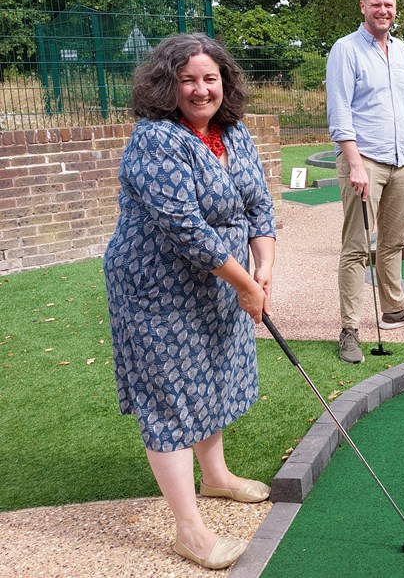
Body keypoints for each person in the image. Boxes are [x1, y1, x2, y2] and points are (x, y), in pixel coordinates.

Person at [104, 33, 276, 570]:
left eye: (210, 79)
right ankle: (189, 530)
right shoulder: (156, 139)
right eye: (188, 80)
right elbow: (185, 229)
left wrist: (263, 266)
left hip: (218, 282)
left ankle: (217, 477)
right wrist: (245, 283)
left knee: (212, 376)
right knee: (171, 398)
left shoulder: (234, 132)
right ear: (166, 85)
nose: (201, 90)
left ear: (225, 82)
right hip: (157, 287)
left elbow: (259, 203)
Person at [326, 0, 404, 364]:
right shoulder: (346, 50)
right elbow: (339, 111)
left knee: (393, 242)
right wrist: (354, 163)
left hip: (402, 161)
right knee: (357, 248)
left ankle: (393, 309)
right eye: (376, 5)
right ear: (363, 7)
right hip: (365, 163)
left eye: (388, 5)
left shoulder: (402, 50)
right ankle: (350, 329)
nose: (383, 11)